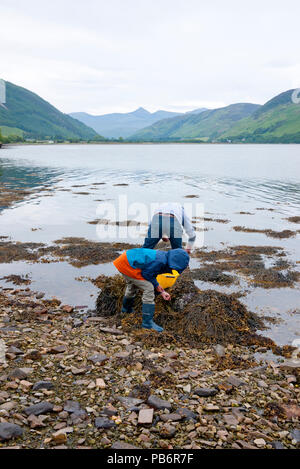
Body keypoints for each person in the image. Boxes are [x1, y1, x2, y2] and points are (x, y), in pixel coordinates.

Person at [113, 247, 190, 332]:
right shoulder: (160, 261)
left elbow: (152, 273)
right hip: (128, 264)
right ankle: (147, 323)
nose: (175, 269)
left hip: (125, 261)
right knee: (149, 288)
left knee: (132, 285)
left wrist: (162, 291)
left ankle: (126, 310)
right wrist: (156, 285)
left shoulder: (164, 257)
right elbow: (146, 274)